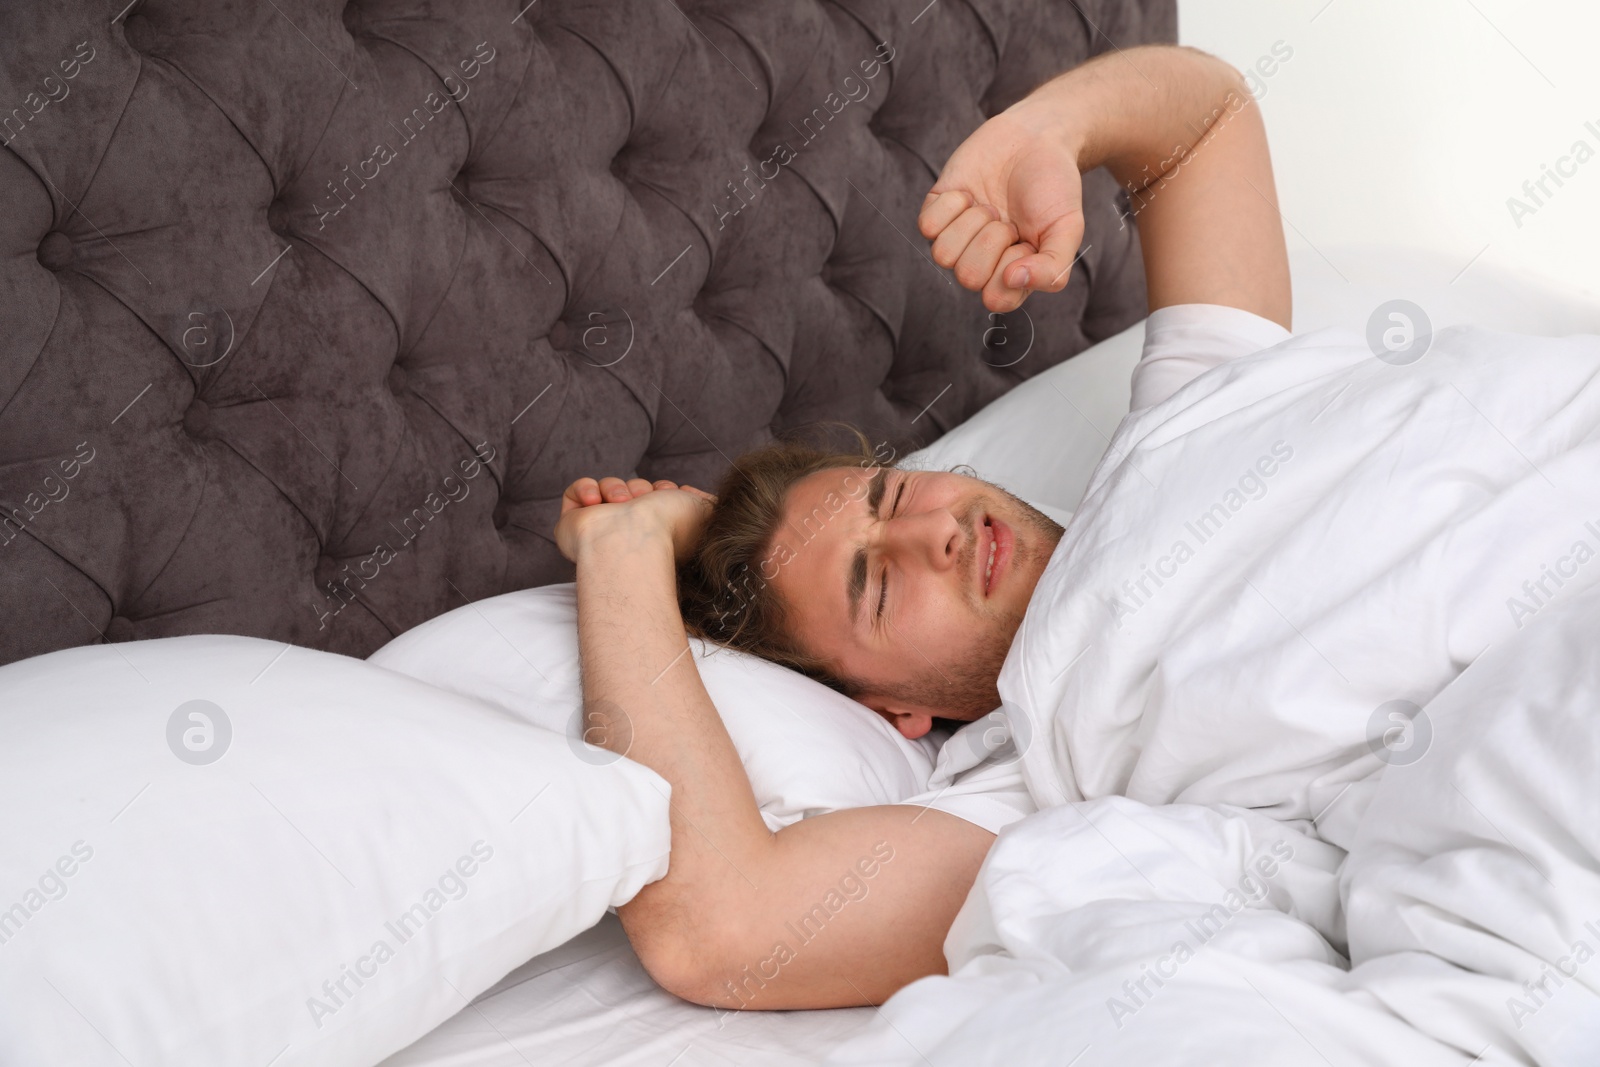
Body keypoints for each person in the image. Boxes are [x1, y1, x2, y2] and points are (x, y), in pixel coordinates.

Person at [551, 43, 1291, 1010]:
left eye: (896, 499)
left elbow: (1206, 118)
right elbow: (721, 932)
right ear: (897, 712)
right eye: (879, 586)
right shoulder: (1030, 785)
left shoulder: (1189, 436)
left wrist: (1049, 128)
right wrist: (624, 556)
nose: (932, 537)